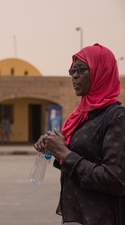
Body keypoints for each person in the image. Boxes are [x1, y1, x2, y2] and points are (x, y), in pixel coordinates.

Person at [34, 43, 125, 225]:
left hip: (102, 217)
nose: (74, 76)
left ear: (101, 72)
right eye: (72, 71)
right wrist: (59, 147)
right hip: (77, 216)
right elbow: (79, 164)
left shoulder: (117, 117)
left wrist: (65, 154)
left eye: (81, 70)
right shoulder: (83, 115)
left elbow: (115, 180)